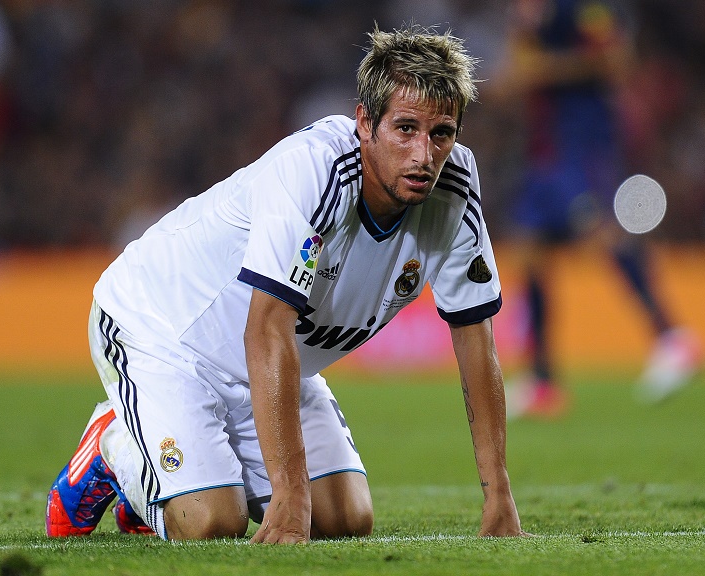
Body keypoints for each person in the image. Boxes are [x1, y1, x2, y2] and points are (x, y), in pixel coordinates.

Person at [44, 25, 527, 543]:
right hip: (162, 331)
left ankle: (162, 485)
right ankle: (112, 447)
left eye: (441, 134)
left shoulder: (454, 189)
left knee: (345, 519)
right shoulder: (315, 169)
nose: (423, 155)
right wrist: (290, 496)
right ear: (365, 122)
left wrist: (498, 494)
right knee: (211, 522)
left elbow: (475, 336)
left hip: (266, 366)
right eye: (405, 128)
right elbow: (267, 329)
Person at [496, 0, 704, 418]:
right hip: (546, 148)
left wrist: (542, 69)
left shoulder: (579, 8)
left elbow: (615, 60)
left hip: (580, 143)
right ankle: (542, 380)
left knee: (598, 229)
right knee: (530, 249)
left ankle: (672, 337)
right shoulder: (532, 11)